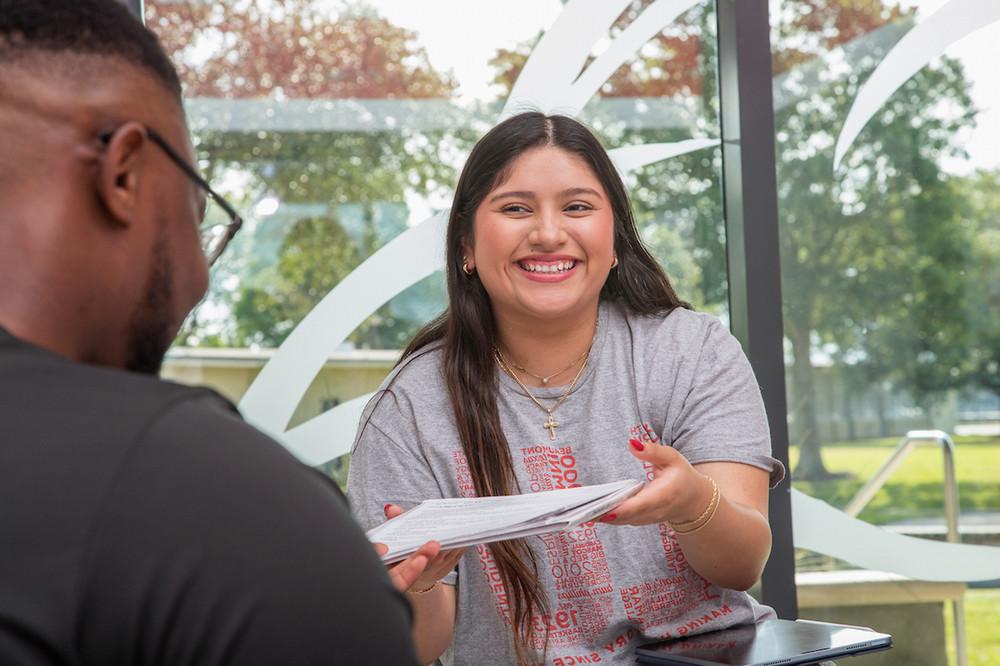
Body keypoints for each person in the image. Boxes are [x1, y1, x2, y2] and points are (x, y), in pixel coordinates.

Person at [0, 2, 434, 664]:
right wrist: (335, 585)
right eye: (198, 214)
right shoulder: (236, 522)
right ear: (124, 174)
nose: (201, 276)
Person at [348, 111, 786, 665]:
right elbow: (417, 647)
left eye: (577, 207)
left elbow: (743, 565)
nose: (549, 233)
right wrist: (418, 585)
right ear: (466, 245)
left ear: (615, 238)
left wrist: (692, 501)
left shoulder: (690, 351)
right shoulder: (408, 409)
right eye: (515, 209)